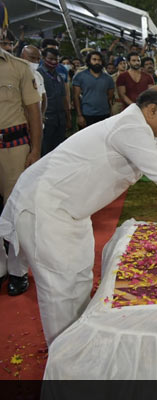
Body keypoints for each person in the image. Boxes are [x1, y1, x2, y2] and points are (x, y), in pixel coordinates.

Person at [0, 85, 157, 346]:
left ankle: (77, 348)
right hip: (44, 207)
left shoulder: (140, 128)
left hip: (67, 210)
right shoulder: (130, 129)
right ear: (152, 110)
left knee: (77, 280)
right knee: (60, 291)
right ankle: (65, 361)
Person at [0, 10, 43, 296]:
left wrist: (36, 150)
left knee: (16, 210)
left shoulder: (17, 67)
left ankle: (17, 270)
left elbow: (33, 112)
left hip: (13, 148)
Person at [38, 47, 71, 156]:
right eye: (51, 59)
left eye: (56, 59)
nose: (54, 62)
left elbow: (63, 97)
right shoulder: (38, 75)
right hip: (46, 118)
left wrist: (68, 117)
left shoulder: (58, 76)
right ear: (43, 58)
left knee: (59, 150)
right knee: (45, 149)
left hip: (60, 119)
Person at [72, 51, 114, 128]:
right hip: (86, 114)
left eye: (99, 60)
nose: (97, 62)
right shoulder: (80, 76)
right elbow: (76, 97)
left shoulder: (108, 78)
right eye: (94, 59)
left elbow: (110, 96)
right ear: (89, 61)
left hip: (104, 114)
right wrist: (79, 115)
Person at [20, 45, 47, 118]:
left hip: (37, 118)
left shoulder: (38, 75)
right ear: (22, 56)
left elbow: (43, 97)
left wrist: (41, 116)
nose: (35, 61)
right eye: (32, 58)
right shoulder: (15, 74)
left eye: (38, 59)